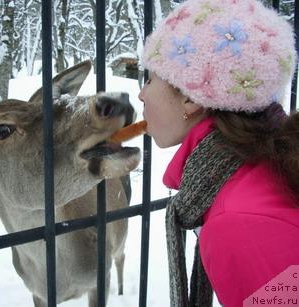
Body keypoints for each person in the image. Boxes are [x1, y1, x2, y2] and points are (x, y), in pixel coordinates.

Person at [138, 0, 299, 306]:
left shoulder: (238, 225)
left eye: (150, 79)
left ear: (190, 97)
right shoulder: (269, 164)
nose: (141, 94)